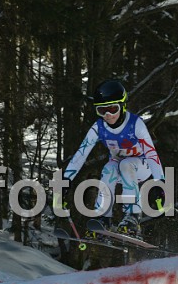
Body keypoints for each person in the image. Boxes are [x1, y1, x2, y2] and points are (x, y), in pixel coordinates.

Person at [61, 79, 165, 236]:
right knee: (108, 168)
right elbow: (80, 155)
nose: (108, 115)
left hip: (142, 166)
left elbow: (151, 154)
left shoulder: (135, 124)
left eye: (112, 109)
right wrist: (65, 181)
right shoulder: (99, 127)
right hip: (118, 167)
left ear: (123, 106)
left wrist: (159, 183)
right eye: (102, 111)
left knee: (126, 164)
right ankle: (103, 218)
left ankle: (132, 215)